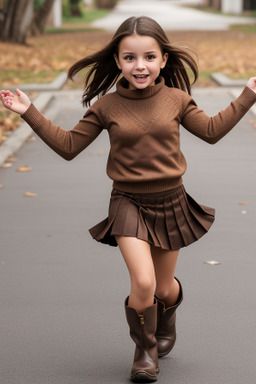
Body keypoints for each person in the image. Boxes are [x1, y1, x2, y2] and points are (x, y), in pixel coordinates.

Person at [1, 15, 256, 383]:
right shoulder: (107, 106)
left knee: (165, 288)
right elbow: (70, 146)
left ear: (163, 60)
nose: (141, 66)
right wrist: (29, 112)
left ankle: (166, 316)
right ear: (118, 61)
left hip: (171, 203)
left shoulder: (177, 100)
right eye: (131, 57)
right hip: (127, 203)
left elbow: (213, 131)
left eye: (149, 57)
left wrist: (248, 92)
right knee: (144, 283)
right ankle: (145, 350)